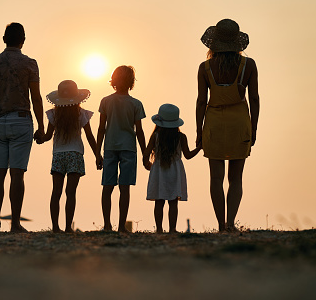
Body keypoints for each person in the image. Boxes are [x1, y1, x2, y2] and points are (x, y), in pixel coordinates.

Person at [196, 19, 260, 232]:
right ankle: (231, 222)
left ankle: (221, 224)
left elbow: (201, 101)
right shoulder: (248, 65)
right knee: (236, 178)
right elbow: (255, 98)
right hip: (239, 123)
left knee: (216, 178)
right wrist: (254, 127)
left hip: (213, 123)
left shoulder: (205, 67)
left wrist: (199, 130)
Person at [0, 22, 45, 233]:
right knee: (17, 175)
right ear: (23, 40)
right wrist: (41, 126)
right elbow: (35, 97)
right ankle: (15, 223)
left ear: (4, 39)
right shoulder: (29, 64)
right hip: (21, 120)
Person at [37, 80, 100, 233]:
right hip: (75, 154)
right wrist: (98, 155)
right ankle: (67, 227)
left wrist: (40, 138)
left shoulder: (54, 114)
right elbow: (90, 137)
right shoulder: (81, 114)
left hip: (58, 155)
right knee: (70, 193)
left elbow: (47, 136)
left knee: (56, 192)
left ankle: (55, 227)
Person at [96, 65, 147, 233]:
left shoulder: (105, 101)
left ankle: (107, 225)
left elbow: (101, 128)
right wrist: (145, 153)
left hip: (110, 146)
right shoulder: (136, 103)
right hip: (129, 148)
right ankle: (121, 225)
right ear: (131, 82)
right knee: (125, 187)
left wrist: (97, 151)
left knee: (107, 186)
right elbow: (139, 131)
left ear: (114, 81)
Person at [143, 104, 201, 233]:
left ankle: (158, 229)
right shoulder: (181, 137)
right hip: (175, 171)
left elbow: (146, 154)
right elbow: (188, 155)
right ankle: (172, 229)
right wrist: (199, 147)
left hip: (158, 170)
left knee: (159, 201)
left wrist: (147, 165)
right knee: (173, 202)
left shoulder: (156, 136)